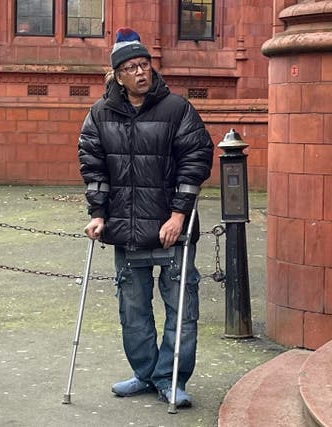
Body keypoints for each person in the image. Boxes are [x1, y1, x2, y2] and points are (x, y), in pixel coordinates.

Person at [78, 28, 214, 408]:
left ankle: (171, 377)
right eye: (132, 67)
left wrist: (177, 215)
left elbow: (196, 160)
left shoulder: (177, 109)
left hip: (174, 230)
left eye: (145, 65)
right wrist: (98, 214)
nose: (141, 72)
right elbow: (94, 167)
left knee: (181, 310)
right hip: (126, 230)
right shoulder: (100, 114)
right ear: (118, 75)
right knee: (133, 310)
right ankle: (143, 372)